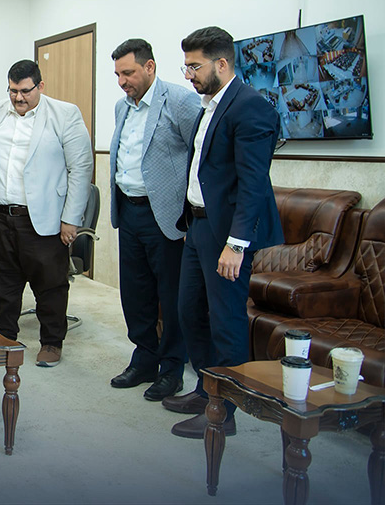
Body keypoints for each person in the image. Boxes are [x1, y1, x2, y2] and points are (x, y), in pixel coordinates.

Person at [164, 26, 283, 439]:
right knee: (188, 311)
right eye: (186, 66)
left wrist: (236, 244)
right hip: (198, 227)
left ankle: (224, 411)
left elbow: (253, 183)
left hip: (227, 236)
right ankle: (206, 389)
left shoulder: (251, 107)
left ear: (221, 63)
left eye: (195, 66)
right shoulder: (209, 106)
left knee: (226, 320)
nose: (189, 75)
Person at [0, 60, 93, 368]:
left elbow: (81, 168)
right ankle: (4, 337)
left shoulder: (64, 114)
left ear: (40, 86)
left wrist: (71, 219)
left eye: (25, 91)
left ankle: (52, 342)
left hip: (43, 219)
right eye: (13, 91)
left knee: (50, 285)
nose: (18, 98)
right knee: (2, 284)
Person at [107, 39, 202, 401]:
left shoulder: (180, 101)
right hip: (129, 211)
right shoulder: (122, 106)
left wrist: (191, 212)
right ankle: (144, 358)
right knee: (135, 293)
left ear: (150, 67)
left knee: (171, 296)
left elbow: (200, 154)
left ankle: (172, 368)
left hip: (165, 215)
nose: (122, 81)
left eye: (128, 73)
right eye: (118, 74)